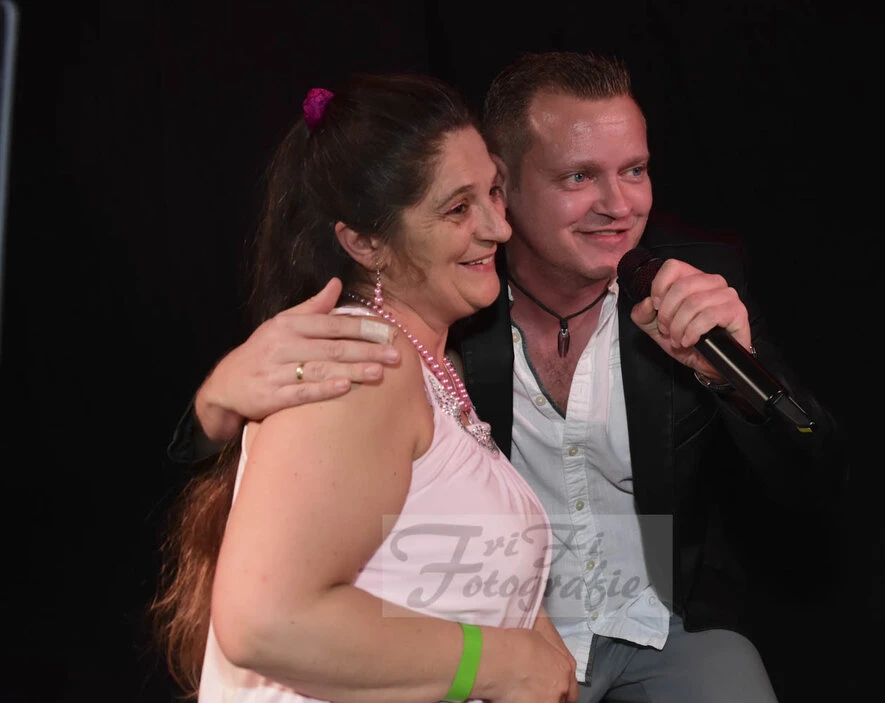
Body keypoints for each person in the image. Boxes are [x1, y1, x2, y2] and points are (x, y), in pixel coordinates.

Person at [168, 51, 848, 702]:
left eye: (635, 170)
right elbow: (275, 583)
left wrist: (728, 377)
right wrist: (212, 406)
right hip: (494, 641)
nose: (618, 204)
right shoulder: (430, 322)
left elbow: (813, 476)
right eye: (577, 177)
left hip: (653, 621)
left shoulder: (691, 289)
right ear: (512, 185)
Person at [152, 74, 581, 702]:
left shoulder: (426, 364)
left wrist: (530, 631)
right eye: (458, 209)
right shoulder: (364, 368)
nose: (499, 227)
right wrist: (502, 661)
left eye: (494, 191)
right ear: (365, 243)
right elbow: (268, 623)